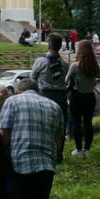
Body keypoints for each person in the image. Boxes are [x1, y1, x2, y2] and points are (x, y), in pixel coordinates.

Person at [0, 79, 63, 199]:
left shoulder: (12, 101)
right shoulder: (54, 106)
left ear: (20, 91)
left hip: (19, 164)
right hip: (46, 167)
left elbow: (4, 135)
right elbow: (58, 139)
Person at [30, 33, 69, 162]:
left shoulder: (41, 61)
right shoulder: (65, 64)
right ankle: (59, 154)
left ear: (48, 44)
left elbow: (32, 78)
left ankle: (45, 153)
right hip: (61, 97)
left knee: (43, 124)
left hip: (44, 95)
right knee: (60, 125)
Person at [66, 40, 100, 157]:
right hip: (90, 96)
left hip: (77, 97)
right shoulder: (96, 66)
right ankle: (88, 149)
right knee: (88, 123)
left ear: (79, 50)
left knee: (76, 123)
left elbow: (66, 80)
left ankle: (79, 150)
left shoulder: (74, 66)